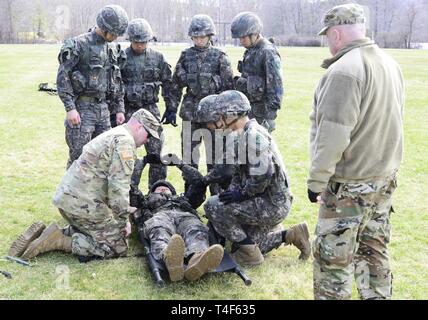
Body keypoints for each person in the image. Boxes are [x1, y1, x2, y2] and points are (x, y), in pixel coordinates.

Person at [308, 3, 405, 300]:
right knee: (373, 252)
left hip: (350, 188)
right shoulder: (390, 64)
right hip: (383, 181)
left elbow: (333, 134)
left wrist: (317, 182)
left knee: (332, 262)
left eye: (328, 36)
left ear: (336, 34)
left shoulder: (344, 71)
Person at [19, 109, 162, 260]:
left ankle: (55, 232)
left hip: (69, 200)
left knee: (104, 230)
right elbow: (118, 189)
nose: (148, 141)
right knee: (117, 247)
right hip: (82, 205)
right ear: (139, 127)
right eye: (149, 135)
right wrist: (123, 222)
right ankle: (58, 240)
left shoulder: (115, 133)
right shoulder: (125, 143)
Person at [197, 90, 310, 266]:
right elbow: (235, 172)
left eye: (221, 116)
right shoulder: (243, 134)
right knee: (245, 243)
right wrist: (235, 191)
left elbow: (263, 175)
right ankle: (290, 234)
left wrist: (242, 194)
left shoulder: (252, 136)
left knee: (213, 206)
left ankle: (250, 257)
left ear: (232, 114)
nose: (217, 121)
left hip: (272, 204)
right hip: (268, 201)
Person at [56, 5, 128, 168]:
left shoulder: (112, 48)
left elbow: (117, 80)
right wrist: (70, 108)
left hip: (104, 110)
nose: (116, 37)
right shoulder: (78, 44)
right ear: (104, 28)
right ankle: (71, 194)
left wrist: (120, 109)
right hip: (82, 109)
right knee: (78, 159)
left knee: (105, 157)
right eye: (114, 33)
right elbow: (63, 77)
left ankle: (96, 194)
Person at [171, 14, 234, 177]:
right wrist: (171, 109)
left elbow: (228, 89)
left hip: (214, 116)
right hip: (190, 114)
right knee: (188, 159)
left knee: (215, 160)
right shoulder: (186, 56)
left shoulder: (220, 56)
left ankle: (216, 198)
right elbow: (175, 85)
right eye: (195, 37)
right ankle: (190, 196)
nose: (198, 40)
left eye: (202, 37)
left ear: (209, 36)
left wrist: (226, 118)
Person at [132, 180, 224, 282]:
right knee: (159, 230)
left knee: (196, 229)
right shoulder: (146, 199)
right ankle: (168, 256)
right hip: (160, 215)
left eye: (166, 188)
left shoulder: (182, 199)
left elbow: (197, 182)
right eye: (159, 188)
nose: (163, 188)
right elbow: (132, 193)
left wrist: (182, 165)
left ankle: (197, 258)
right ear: (152, 192)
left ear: (172, 192)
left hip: (185, 216)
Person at [121, 18, 175, 187]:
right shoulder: (121, 57)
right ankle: (129, 193)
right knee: (125, 154)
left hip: (151, 110)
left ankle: (157, 192)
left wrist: (171, 107)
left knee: (156, 153)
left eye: (143, 42)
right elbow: (114, 86)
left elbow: (168, 84)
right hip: (129, 110)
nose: (140, 46)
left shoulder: (158, 58)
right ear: (130, 40)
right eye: (137, 42)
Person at [231, 12, 283, 133]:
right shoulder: (251, 50)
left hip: (261, 115)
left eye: (243, 37)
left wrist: (270, 116)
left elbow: (276, 86)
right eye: (240, 38)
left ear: (254, 34)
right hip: (248, 110)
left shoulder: (267, 52)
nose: (241, 41)